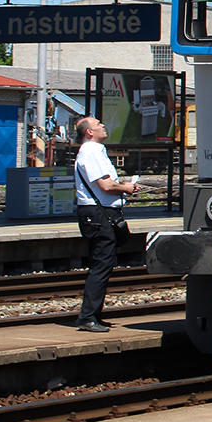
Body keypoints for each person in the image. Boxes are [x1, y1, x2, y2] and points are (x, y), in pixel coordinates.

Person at [72, 116, 141, 333]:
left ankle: (93, 315)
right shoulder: (90, 152)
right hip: (98, 213)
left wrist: (123, 188)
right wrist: (126, 188)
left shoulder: (95, 151)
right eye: (98, 124)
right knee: (101, 264)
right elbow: (105, 185)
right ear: (89, 132)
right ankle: (87, 318)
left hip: (99, 213)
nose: (103, 125)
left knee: (104, 263)